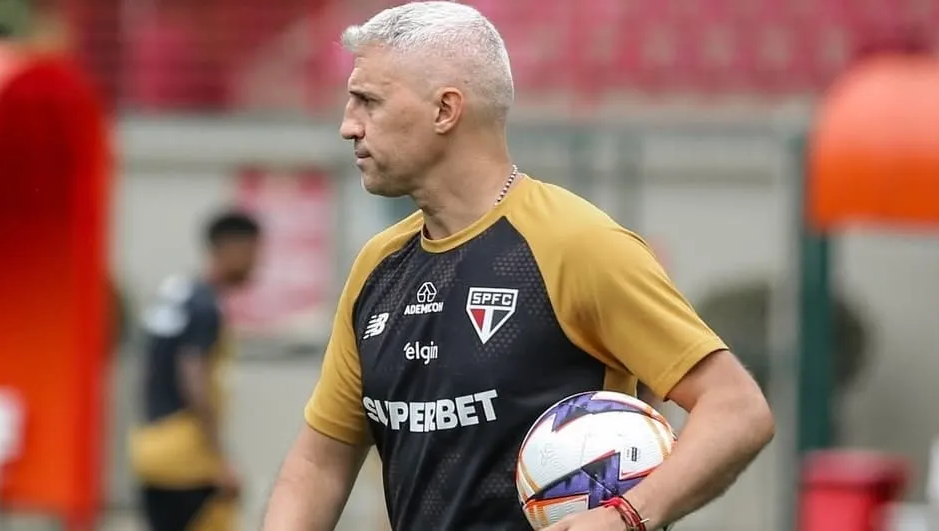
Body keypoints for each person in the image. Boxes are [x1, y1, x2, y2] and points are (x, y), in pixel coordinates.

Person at [261, 2, 774, 530]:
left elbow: (736, 409)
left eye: (368, 101)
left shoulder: (576, 244)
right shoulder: (378, 266)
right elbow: (318, 464)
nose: (349, 126)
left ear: (445, 110)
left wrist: (627, 516)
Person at [129, 210, 261, 531]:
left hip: (150, 445)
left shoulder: (178, 293)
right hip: (186, 455)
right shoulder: (205, 306)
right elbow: (193, 375)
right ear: (232, 248)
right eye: (254, 253)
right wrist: (220, 458)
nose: (256, 265)